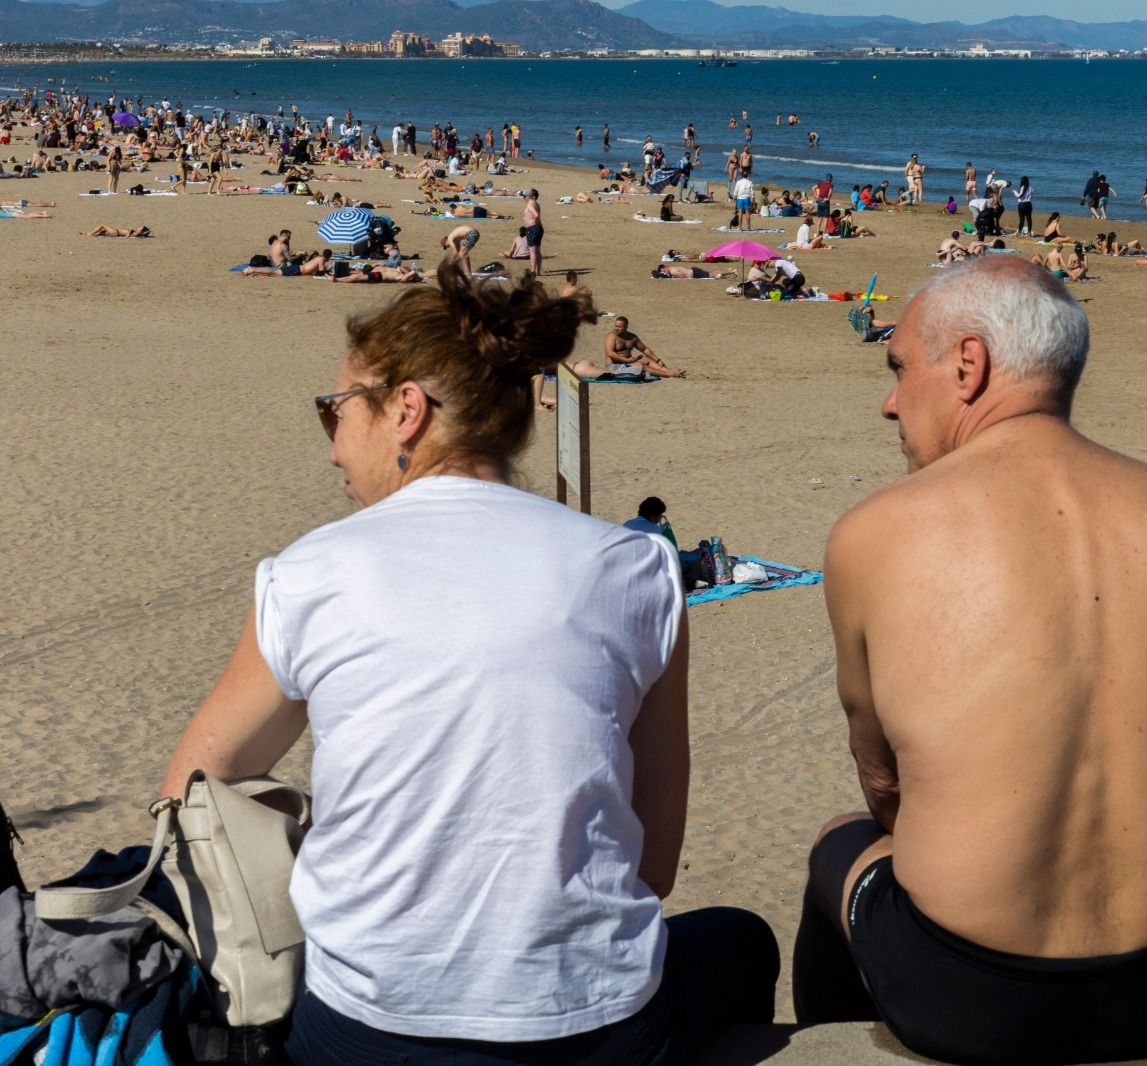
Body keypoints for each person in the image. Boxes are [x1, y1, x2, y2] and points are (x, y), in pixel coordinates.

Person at [160, 267, 778, 1064]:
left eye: (336, 410)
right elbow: (653, 866)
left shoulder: (311, 573)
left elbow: (191, 790)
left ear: (406, 411)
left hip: (367, 1031)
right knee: (743, 942)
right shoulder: (637, 569)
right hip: (590, 1031)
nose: (332, 444)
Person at [794, 257, 1147, 1066]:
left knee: (841, 842)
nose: (889, 400)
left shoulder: (880, 530)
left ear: (968, 366)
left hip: (966, 993)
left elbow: (883, 782)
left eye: (899, 366)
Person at [605, 316, 687, 378]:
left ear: (626, 327)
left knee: (646, 359)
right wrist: (627, 360)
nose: (616, 328)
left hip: (628, 362)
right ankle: (669, 374)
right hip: (614, 366)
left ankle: (669, 371)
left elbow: (644, 349)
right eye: (615, 326)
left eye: (619, 327)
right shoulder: (611, 336)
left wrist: (658, 360)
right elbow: (610, 353)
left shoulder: (632, 337)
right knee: (641, 365)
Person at [521, 189, 544, 275]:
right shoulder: (535, 204)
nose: (524, 198)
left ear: (531, 196)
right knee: (537, 250)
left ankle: (533, 271)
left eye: (525, 196)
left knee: (532, 251)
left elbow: (536, 215)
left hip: (533, 229)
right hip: (537, 228)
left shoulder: (530, 204)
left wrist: (535, 222)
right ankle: (537, 271)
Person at [652, 263, 731, 279]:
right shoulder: (672, 267)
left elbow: (681, 275)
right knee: (712, 273)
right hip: (693, 271)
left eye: (664, 270)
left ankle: (731, 272)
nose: (665, 272)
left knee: (712, 274)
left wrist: (674, 276)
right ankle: (728, 270)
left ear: (665, 267)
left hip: (694, 273)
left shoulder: (672, 271)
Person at [83, 223, 151, 237]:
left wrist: (127, 235)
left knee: (102, 225)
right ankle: (90, 234)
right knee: (103, 229)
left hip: (115, 232)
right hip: (115, 232)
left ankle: (90, 234)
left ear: (141, 231)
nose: (139, 227)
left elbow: (131, 229)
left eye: (140, 228)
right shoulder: (136, 233)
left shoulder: (136, 233)